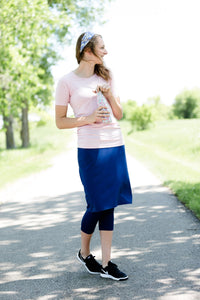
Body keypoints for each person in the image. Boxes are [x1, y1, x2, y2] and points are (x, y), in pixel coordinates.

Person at [55, 32, 132, 281]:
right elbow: (59, 121)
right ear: (87, 51)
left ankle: (107, 263)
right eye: (102, 47)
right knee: (97, 204)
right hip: (89, 149)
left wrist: (109, 94)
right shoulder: (66, 82)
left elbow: (119, 114)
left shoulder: (107, 76)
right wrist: (87, 119)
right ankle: (85, 253)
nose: (106, 52)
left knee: (109, 203)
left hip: (114, 145)